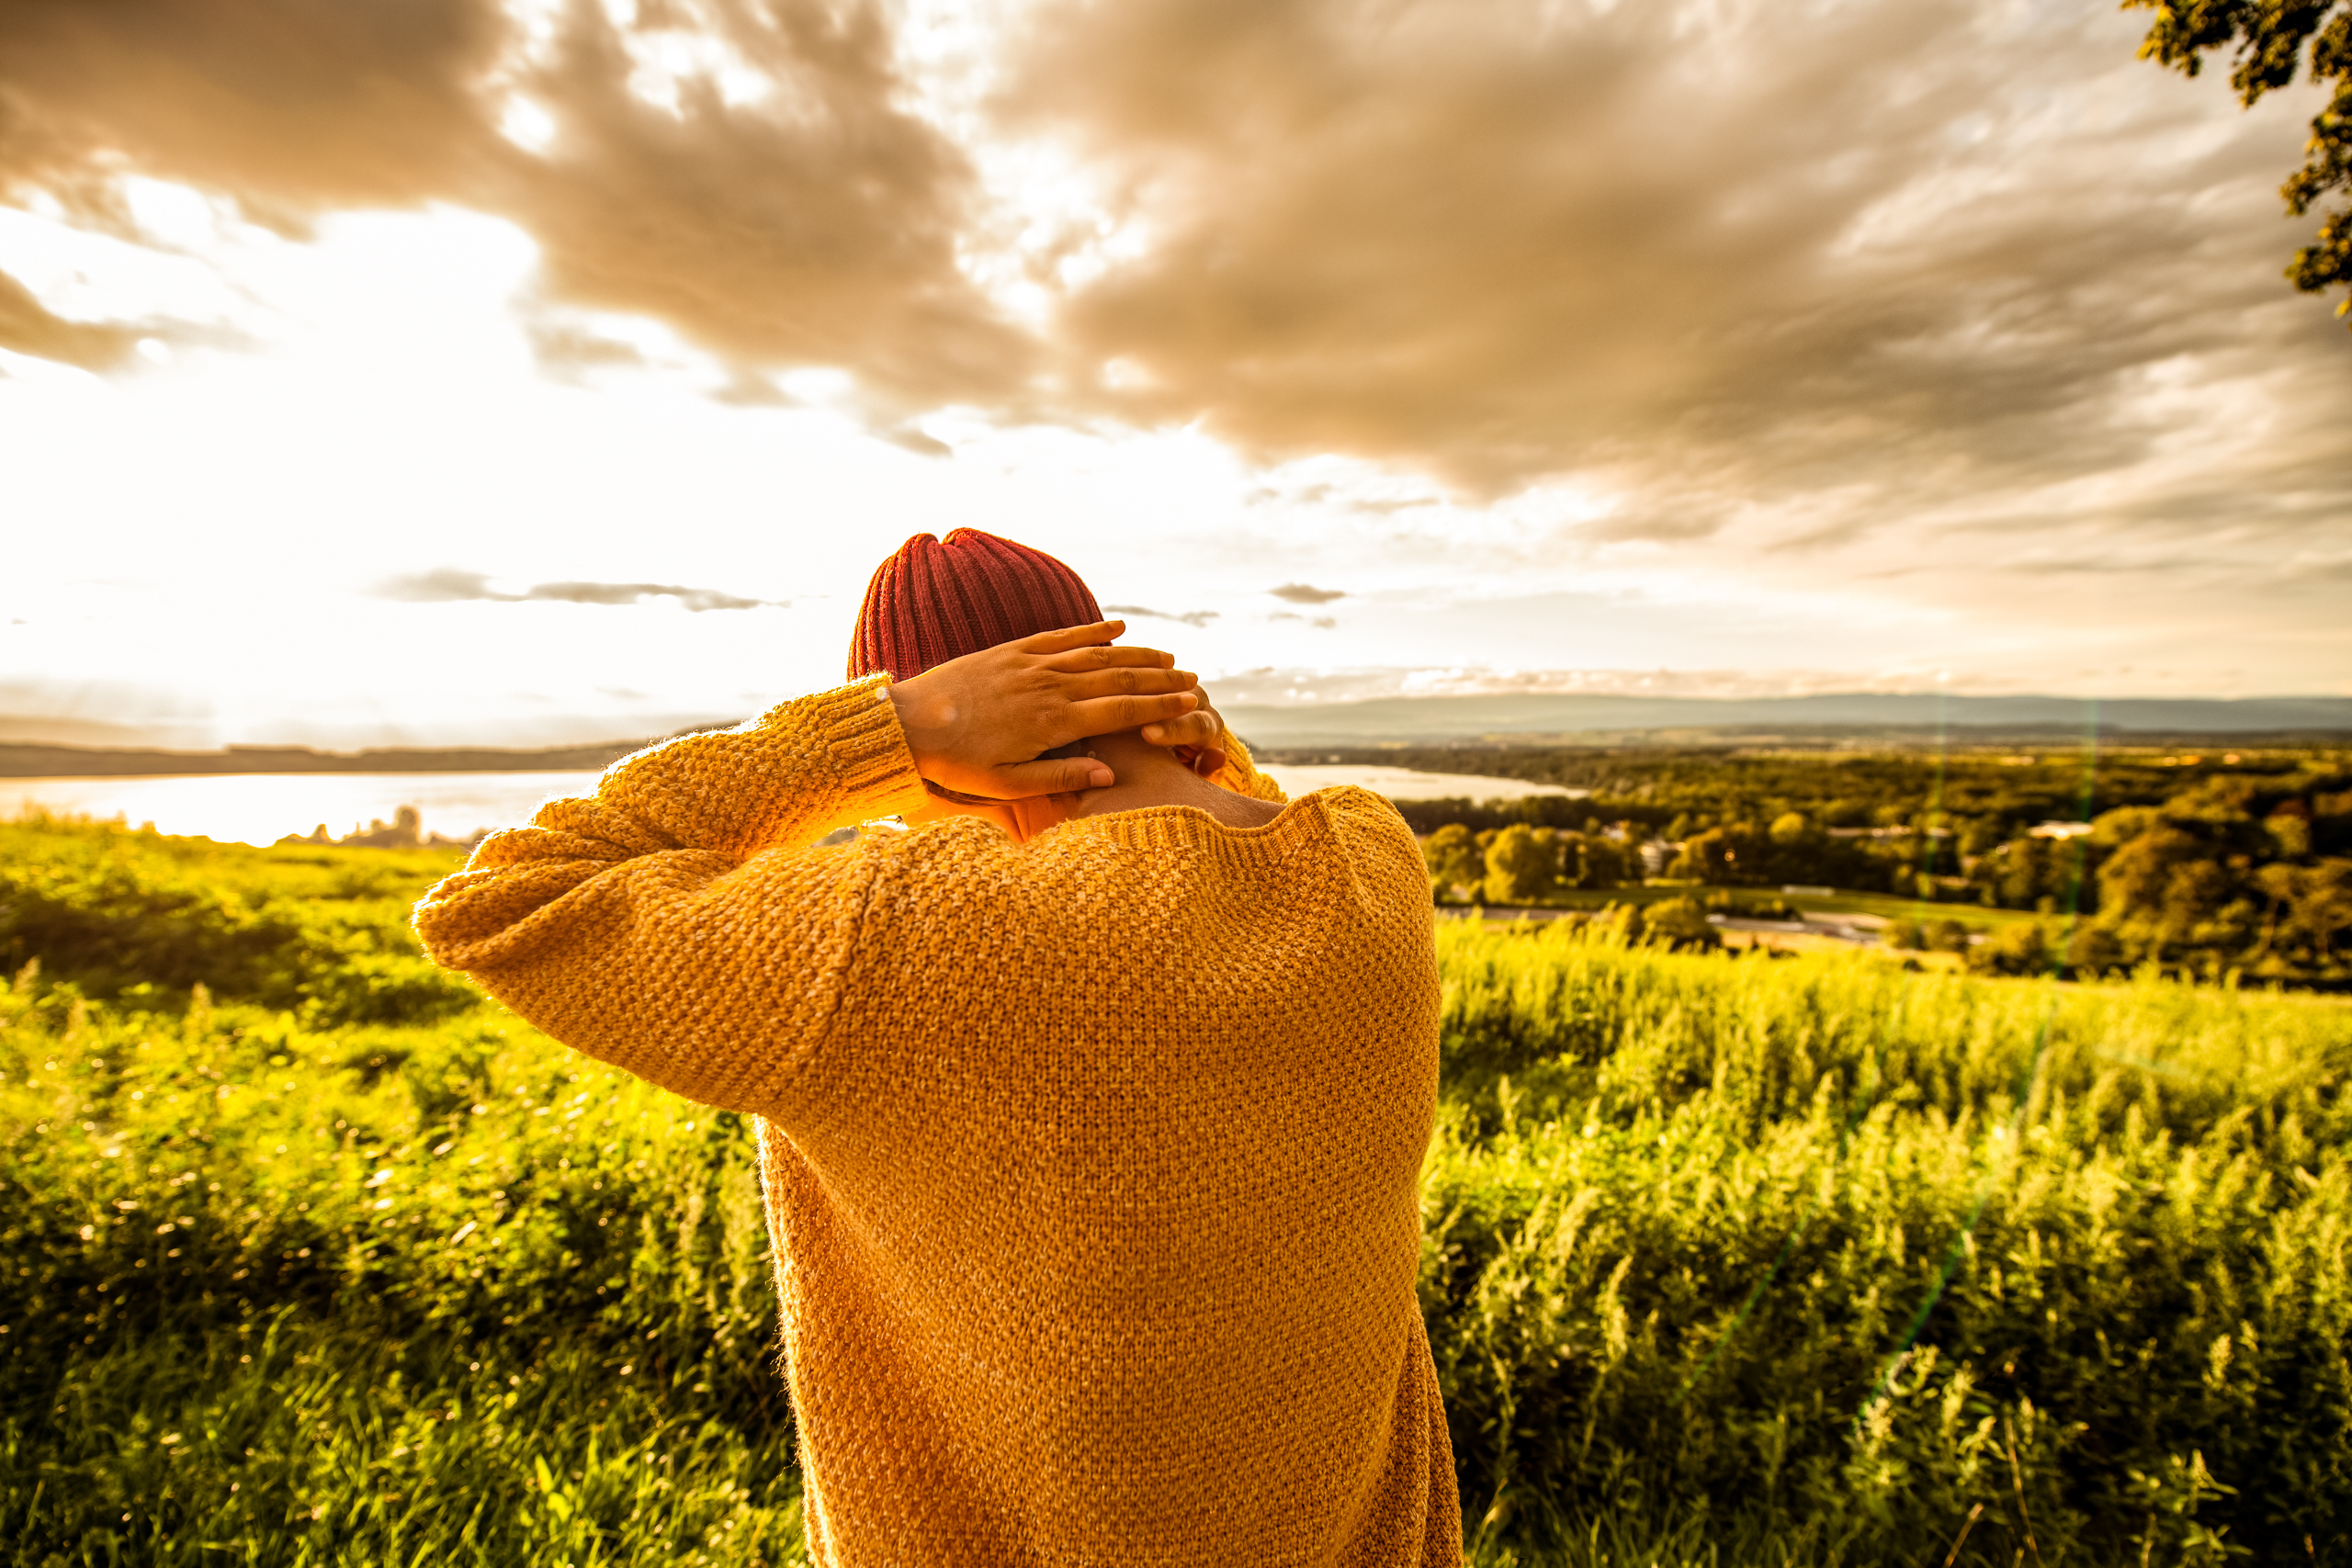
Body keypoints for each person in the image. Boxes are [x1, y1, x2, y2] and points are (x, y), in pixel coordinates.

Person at [413, 528, 1460, 1565]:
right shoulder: (1366, 858)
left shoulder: (888, 934)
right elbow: (1218, 836)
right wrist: (1186, 744)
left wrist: (879, 735)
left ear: (954, 752)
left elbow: (502, 898)